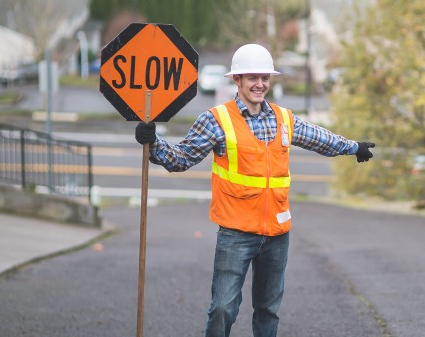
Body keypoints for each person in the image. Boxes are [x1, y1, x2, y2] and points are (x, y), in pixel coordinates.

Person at [134, 43, 376, 337]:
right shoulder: (216, 120)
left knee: (268, 311)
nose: (260, 84)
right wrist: (154, 142)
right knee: (223, 308)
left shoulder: (284, 119)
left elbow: (319, 139)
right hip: (235, 234)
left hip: (276, 235)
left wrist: (354, 147)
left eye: (265, 78)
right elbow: (181, 159)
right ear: (237, 80)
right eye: (252, 78)